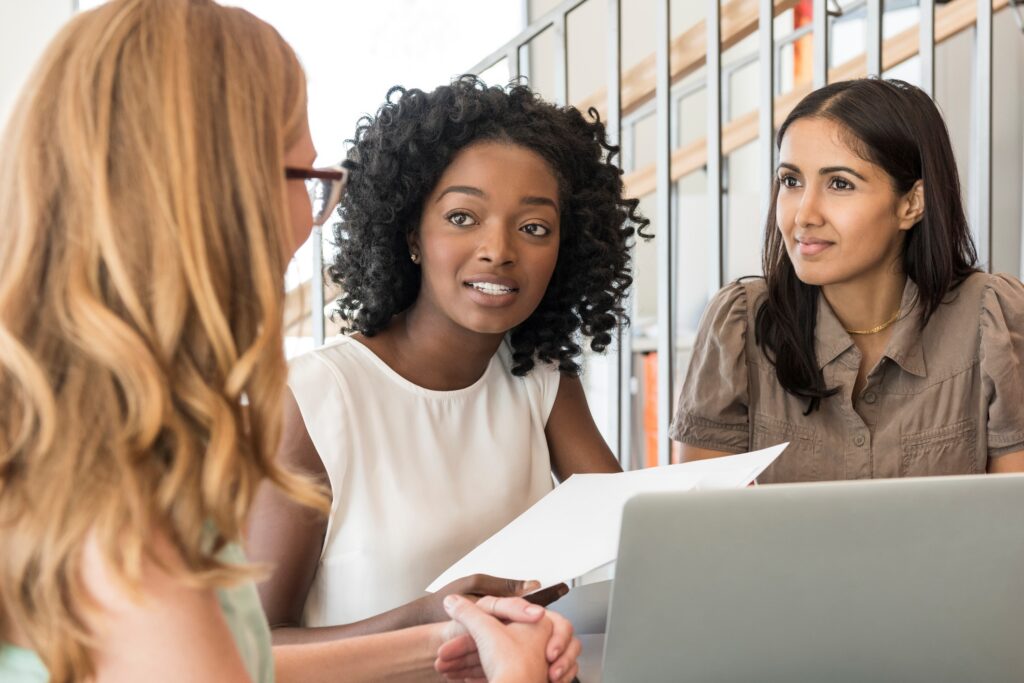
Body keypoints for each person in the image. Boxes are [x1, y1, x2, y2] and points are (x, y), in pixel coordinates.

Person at [0, 2, 577, 682]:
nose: (310, 222)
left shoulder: (80, 440)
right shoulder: (129, 513)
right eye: (301, 179)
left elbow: (237, 661)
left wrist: (439, 635)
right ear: (207, 190)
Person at [248, 76, 649, 646]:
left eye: (534, 227)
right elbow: (259, 646)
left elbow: (633, 531)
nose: (499, 250)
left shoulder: (539, 378)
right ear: (412, 232)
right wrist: (426, 619)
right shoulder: (316, 395)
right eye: (463, 217)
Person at [672, 78, 1024, 481]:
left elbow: (1013, 526)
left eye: (840, 184)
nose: (804, 215)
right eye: (791, 181)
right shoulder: (739, 324)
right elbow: (709, 530)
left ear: (912, 203)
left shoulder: (995, 318)